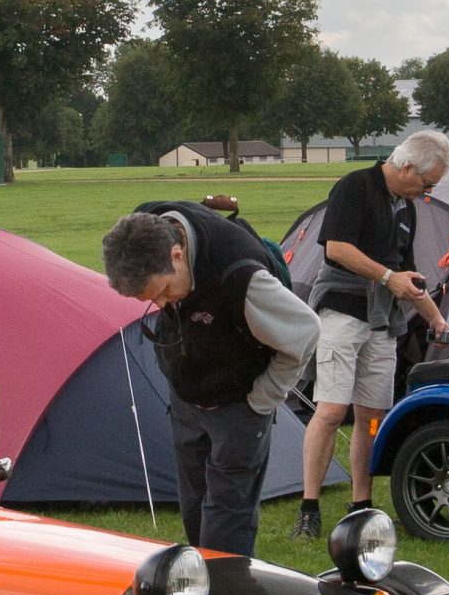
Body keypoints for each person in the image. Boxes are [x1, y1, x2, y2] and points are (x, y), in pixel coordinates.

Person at [102, 202, 320, 557]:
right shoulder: (147, 226)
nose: (161, 304)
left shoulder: (240, 276)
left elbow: (306, 331)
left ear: (177, 254)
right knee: (193, 505)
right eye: (150, 299)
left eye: (163, 291)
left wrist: (262, 399)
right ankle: (197, 587)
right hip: (187, 400)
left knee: (225, 521)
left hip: (239, 406)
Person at [295, 129, 449, 539]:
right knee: (331, 411)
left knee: (370, 418)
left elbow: (409, 274)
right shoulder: (355, 187)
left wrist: (436, 318)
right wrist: (387, 277)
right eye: (426, 183)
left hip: (382, 323)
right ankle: (309, 508)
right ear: (405, 168)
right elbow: (336, 248)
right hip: (342, 314)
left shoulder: (407, 207)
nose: (427, 192)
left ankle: (360, 504)